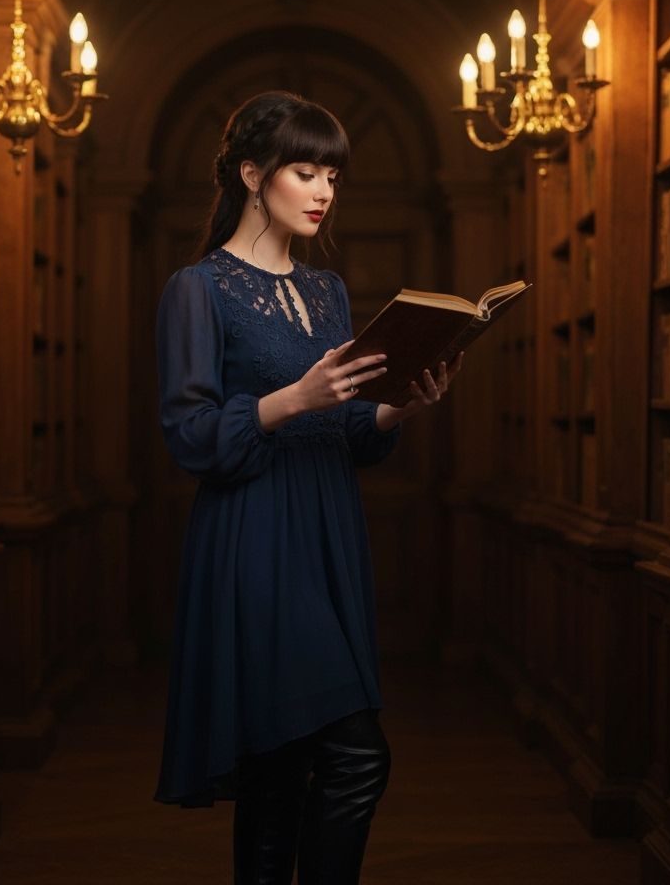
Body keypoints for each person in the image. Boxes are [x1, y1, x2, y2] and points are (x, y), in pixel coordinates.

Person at [153, 90, 461, 884]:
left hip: (327, 531)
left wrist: (397, 407)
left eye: (333, 176)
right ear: (253, 174)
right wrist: (295, 398)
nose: (324, 191)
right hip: (253, 536)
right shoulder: (198, 287)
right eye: (305, 171)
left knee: (282, 769)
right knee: (355, 758)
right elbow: (190, 435)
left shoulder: (326, 292)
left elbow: (349, 431)